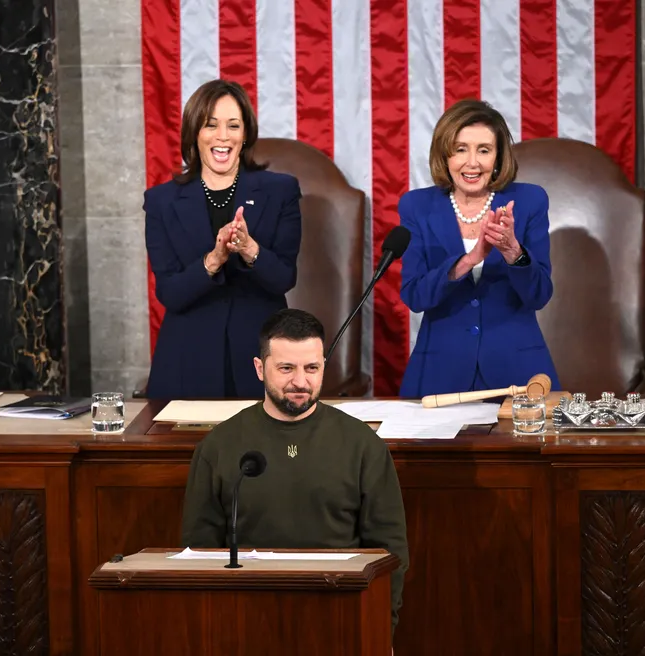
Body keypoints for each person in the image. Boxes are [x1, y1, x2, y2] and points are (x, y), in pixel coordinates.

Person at [181, 309, 409, 636]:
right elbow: (198, 555)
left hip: (341, 614)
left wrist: (380, 630)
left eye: (312, 368)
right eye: (286, 368)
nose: (300, 382)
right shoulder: (219, 446)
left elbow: (391, 554)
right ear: (260, 369)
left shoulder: (362, 444)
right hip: (245, 618)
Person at [144, 79, 302, 399]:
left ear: (245, 134)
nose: (222, 136)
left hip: (260, 357)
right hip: (187, 362)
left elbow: (284, 277)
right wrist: (213, 260)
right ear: (195, 134)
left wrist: (249, 248)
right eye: (211, 125)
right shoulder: (161, 201)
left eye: (233, 125)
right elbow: (170, 293)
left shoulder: (280, 191)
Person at [398, 99, 561, 398]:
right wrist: (469, 260)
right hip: (439, 374)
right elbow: (414, 295)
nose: (472, 162)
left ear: (498, 157)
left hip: (517, 372)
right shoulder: (417, 206)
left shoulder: (529, 201)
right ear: (444, 155)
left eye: (484, 150)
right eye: (460, 149)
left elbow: (539, 294)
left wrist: (513, 251)